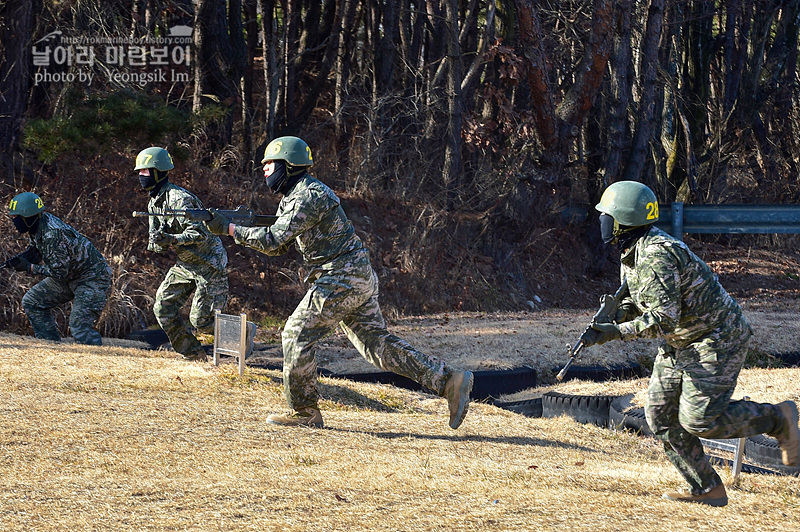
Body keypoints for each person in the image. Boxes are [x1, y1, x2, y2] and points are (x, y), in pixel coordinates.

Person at [202, 136, 473, 429]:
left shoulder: (307, 196)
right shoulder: (296, 196)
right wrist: (235, 226)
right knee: (377, 347)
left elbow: (273, 240)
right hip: (354, 275)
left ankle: (305, 411)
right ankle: (449, 381)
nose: (264, 168)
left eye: (270, 163)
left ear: (289, 165)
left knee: (295, 333)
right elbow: (280, 245)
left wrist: (230, 229)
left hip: (341, 276)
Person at [585, 180, 800, 507]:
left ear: (624, 220)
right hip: (682, 341)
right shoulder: (632, 252)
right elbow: (641, 302)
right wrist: (614, 313)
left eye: (608, 216)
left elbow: (663, 319)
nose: (602, 222)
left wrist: (615, 332)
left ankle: (778, 419)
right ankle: (706, 487)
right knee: (659, 416)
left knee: (699, 420)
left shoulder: (656, 255)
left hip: (716, 339)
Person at [135, 146, 245, 362]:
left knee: (201, 320)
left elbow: (200, 233)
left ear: (158, 172)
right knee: (163, 308)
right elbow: (157, 243)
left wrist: (172, 239)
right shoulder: (153, 203)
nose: (141, 176)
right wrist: (159, 241)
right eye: (139, 172)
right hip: (186, 263)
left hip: (209, 264)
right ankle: (193, 354)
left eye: (145, 171)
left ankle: (243, 335)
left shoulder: (179, 199)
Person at [7, 191, 111, 345]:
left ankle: (97, 359)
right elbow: (39, 250)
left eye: (16, 218)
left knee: (79, 326)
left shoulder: (53, 233)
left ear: (28, 217)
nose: (14, 221)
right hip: (70, 275)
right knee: (32, 302)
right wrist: (26, 257)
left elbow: (60, 272)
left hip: (91, 277)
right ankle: (50, 346)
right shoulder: (37, 225)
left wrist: (29, 267)